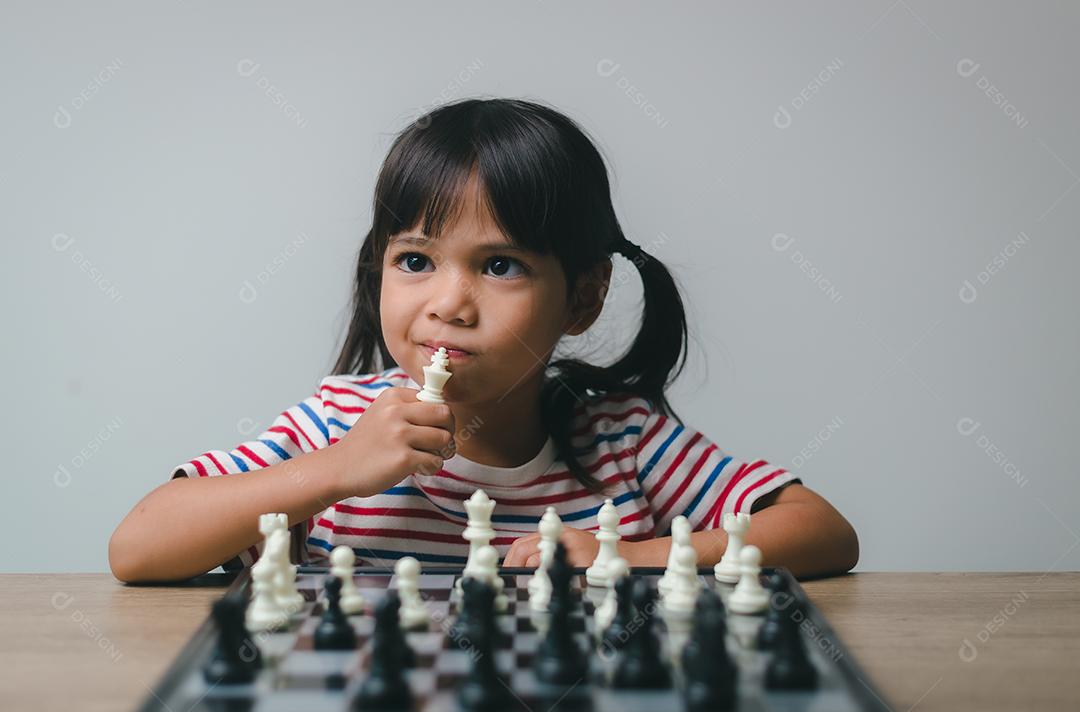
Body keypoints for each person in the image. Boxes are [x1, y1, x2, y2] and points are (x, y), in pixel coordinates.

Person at [109, 98, 858, 583]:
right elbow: (138, 548)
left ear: (584, 298)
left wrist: (632, 555)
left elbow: (822, 531)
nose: (448, 304)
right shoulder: (337, 424)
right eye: (415, 261)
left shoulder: (623, 442)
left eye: (500, 265)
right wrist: (335, 471)